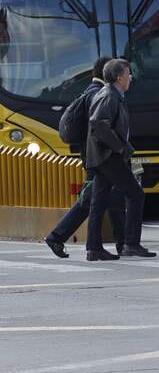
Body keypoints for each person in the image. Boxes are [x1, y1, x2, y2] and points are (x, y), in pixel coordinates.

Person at [44, 57, 125, 259]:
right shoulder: (99, 94)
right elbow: (98, 129)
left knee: (112, 195)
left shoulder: (90, 91)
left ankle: (123, 242)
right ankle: (57, 237)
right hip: (98, 158)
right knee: (90, 199)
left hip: (95, 156)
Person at [84, 59, 156, 261]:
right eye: (128, 73)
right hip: (108, 157)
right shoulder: (109, 96)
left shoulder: (112, 94)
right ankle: (130, 243)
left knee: (98, 202)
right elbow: (98, 124)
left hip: (101, 156)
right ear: (119, 77)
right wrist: (119, 147)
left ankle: (94, 248)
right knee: (135, 194)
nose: (130, 77)